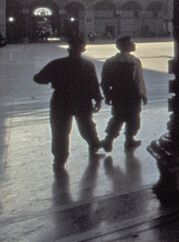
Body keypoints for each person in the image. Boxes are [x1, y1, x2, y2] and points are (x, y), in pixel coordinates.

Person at [33, 36, 104, 171]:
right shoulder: (88, 65)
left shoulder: (56, 63)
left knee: (60, 131)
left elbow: (38, 78)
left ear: (68, 49)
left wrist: (52, 79)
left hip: (61, 99)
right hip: (82, 100)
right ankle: (94, 146)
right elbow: (94, 85)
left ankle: (60, 160)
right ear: (83, 49)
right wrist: (98, 99)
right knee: (87, 126)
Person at [100, 36, 148, 152]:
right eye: (132, 43)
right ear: (127, 46)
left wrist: (107, 95)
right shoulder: (135, 61)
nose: (134, 44)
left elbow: (104, 80)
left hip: (117, 94)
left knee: (117, 117)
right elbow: (139, 80)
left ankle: (109, 139)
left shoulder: (109, 61)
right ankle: (129, 140)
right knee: (133, 117)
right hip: (132, 94)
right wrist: (143, 94)